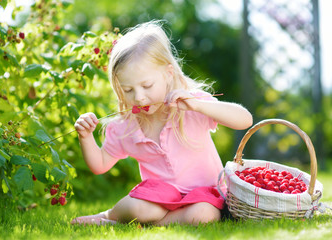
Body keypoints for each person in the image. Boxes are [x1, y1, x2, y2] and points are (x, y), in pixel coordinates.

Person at [71, 20, 253, 226]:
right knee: (140, 208)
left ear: (168, 74)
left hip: (203, 195)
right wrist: (85, 137)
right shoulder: (126, 126)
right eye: (128, 90)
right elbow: (100, 164)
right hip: (157, 199)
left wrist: (199, 106)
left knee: (206, 215)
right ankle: (109, 216)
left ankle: (133, 225)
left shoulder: (190, 106)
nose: (139, 97)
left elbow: (244, 120)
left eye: (147, 86)